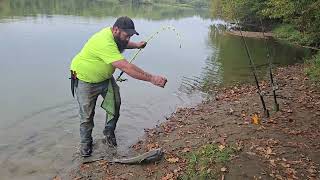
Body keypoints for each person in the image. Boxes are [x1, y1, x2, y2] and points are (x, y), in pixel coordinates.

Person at [70, 16, 167, 157]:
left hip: (105, 79)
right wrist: (152, 78)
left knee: (115, 104)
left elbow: (122, 44)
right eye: (127, 35)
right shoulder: (104, 42)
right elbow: (126, 67)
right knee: (86, 116)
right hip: (84, 79)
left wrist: (136, 45)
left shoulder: (115, 37)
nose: (128, 39)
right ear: (116, 30)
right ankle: (85, 146)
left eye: (130, 36)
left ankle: (109, 134)